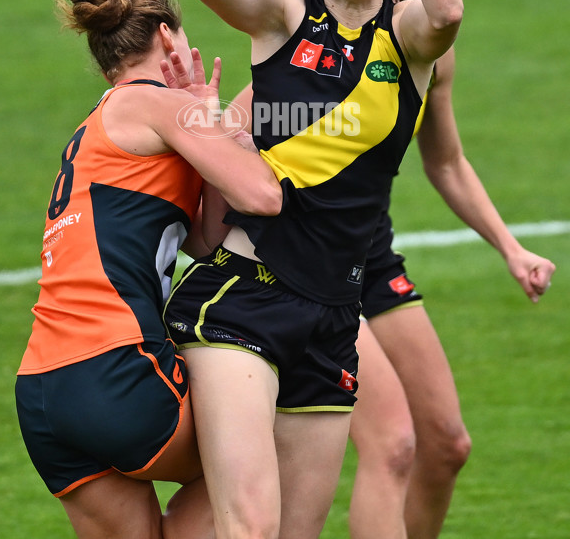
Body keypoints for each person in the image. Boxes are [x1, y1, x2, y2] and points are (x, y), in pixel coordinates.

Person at [164, 0, 463, 539]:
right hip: (243, 294)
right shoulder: (282, 17)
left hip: (334, 314)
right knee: (252, 528)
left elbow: (450, 7)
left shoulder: (409, 43)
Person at [228, 44, 556, 539]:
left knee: (446, 444)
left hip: (371, 255)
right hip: (309, 265)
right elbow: (227, 132)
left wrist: (511, 249)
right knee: (395, 442)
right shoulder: (315, 39)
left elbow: (446, 162)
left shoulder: (434, 52)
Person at [15, 0, 282, 539]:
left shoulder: (102, 122)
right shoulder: (157, 106)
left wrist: (208, 119)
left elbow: (202, 241)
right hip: (117, 370)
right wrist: (267, 79)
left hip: (43, 391)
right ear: (168, 38)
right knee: (274, 438)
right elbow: (261, 195)